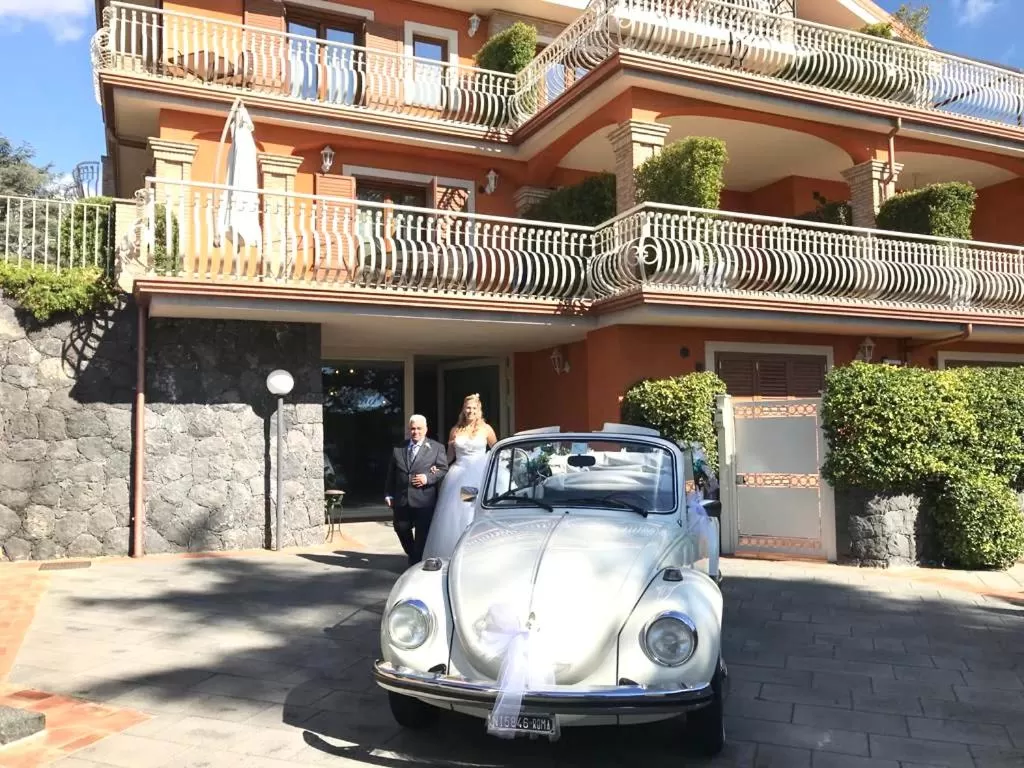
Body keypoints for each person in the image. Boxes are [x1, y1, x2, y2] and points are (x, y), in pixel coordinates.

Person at [421, 394, 498, 561]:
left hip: (479, 474)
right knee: (460, 513)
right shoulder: (455, 430)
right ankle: (458, 550)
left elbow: (496, 450)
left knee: (474, 511)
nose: (470, 411)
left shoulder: (486, 429)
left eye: (474, 408)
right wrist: (436, 467)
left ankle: (478, 548)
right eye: (467, 408)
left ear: (479, 410)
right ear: (463, 410)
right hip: (460, 476)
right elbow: (449, 457)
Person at [384, 414, 449, 566]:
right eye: (412, 429)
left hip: (424, 499)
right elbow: (391, 474)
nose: (415, 432)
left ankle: (415, 562)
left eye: (419, 428)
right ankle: (412, 554)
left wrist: (427, 478)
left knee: (422, 535)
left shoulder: (436, 448)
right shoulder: (398, 449)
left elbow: (443, 469)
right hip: (402, 498)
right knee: (400, 528)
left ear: (425, 430)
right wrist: (388, 493)